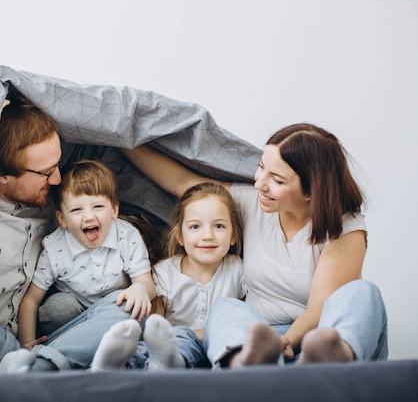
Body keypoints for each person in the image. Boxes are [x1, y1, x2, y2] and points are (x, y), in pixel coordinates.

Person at [120, 123, 388, 368]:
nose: (260, 183)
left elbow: (320, 305)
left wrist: (286, 343)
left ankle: (329, 359)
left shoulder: (345, 227)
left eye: (278, 180)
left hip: (313, 335)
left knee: (363, 293)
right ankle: (245, 363)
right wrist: (118, 139)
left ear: (311, 192)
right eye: (262, 167)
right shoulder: (252, 204)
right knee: (225, 310)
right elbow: (183, 182)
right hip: (256, 337)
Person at [0, 94, 136, 372]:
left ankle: (34, 368)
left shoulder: (55, 205)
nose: (57, 179)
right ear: (2, 174)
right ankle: (12, 359)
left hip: (41, 345)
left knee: (126, 306)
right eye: (46, 172)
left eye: (57, 166)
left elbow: (115, 141)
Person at [90, 182, 247, 371]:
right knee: (144, 348)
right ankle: (113, 367)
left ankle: (165, 363)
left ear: (234, 236)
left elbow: (244, 317)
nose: (207, 235)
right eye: (195, 226)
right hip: (168, 344)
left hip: (215, 348)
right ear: (180, 235)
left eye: (219, 226)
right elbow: (154, 327)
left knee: (184, 341)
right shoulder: (165, 273)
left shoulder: (238, 270)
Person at [17, 159, 155, 349]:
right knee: (58, 307)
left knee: (132, 305)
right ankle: (62, 350)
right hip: (71, 321)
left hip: (112, 311)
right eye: (76, 210)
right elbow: (31, 300)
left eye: (98, 207)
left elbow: (147, 283)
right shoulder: (55, 247)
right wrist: (26, 343)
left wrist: (140, 289)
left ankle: (75, 352)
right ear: (62, 219)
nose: (89, 216)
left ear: (114, 210)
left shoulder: (127, 235)